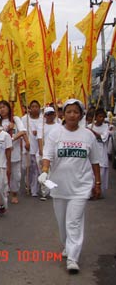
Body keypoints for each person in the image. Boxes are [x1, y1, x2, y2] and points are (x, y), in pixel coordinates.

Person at [40, 98, 101, 274]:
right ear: (63, 114)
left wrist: (97, 183)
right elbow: (48, 155)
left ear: (81, 115)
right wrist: (45, 170)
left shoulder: (88, 135)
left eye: (76, 112)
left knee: (73, 222)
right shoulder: (55, 134)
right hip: (58, 186)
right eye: (69, 111)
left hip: (81, 186)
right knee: (62, 223)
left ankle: (73, 258)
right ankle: (67, 245)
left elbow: (95, 161)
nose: (72, 115)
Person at [0, 100, 29, 204]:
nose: (2, 109)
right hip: (1, 153)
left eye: (4, 107)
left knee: (16, 175)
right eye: (0, 107)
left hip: (14, 152)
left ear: (8, 108)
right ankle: (1, 194)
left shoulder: (15, 119)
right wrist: (6, 135)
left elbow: (22, 131)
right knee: (2, 175)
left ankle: (14, 193)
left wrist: (12, 138)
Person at [37, 106, 60, 201]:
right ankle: (44, 192)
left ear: (54, 114)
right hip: (44, 153)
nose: (49, 116)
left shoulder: (59, 126)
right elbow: (39, 139)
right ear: (45, 115)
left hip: (55, 153)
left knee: (54, 172)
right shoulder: (41, 126)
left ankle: (53, 191)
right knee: (44, 172)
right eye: (47, 114)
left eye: (51, 114)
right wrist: (42, 152)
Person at [22, 100, 43, 197]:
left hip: (38, 149)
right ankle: (28, 186)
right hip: (28, 148)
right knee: (28, 169)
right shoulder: (24, 119)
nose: (34, 108)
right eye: (32, 106)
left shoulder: (43, 120)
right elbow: (22, 131)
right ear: (29, 108)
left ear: (39, 108)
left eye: (36, 106)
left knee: (36, 170)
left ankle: (35, 189)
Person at [87, 108, 110, 198]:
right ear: (95, 117)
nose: (102, 119)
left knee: (101, 174)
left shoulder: (106, 127)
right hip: (92, 153)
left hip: (102, 154)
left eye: (103, 117)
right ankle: (91, 192)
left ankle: (99, 191)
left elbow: (103, 138)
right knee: (91, 174)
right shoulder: (89, 126)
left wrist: (92, 132)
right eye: (100, 116)